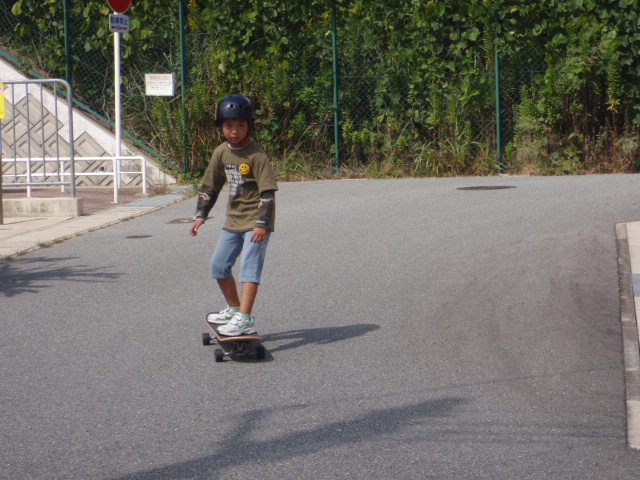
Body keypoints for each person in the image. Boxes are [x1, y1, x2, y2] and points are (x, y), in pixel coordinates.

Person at [189, 94, 278, 336]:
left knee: (249, 267)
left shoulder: (257, 155)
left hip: (256, 221)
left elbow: (268, 193)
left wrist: (262, 224)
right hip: (234, 220)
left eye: (240, 125)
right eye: (229, 125)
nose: (235, 131)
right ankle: (234, 308)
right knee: (219, 265)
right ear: (221, 127)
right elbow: (211, 186)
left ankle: (245, 319)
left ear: (249, 125)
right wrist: (200, 216)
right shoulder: (221, 153)